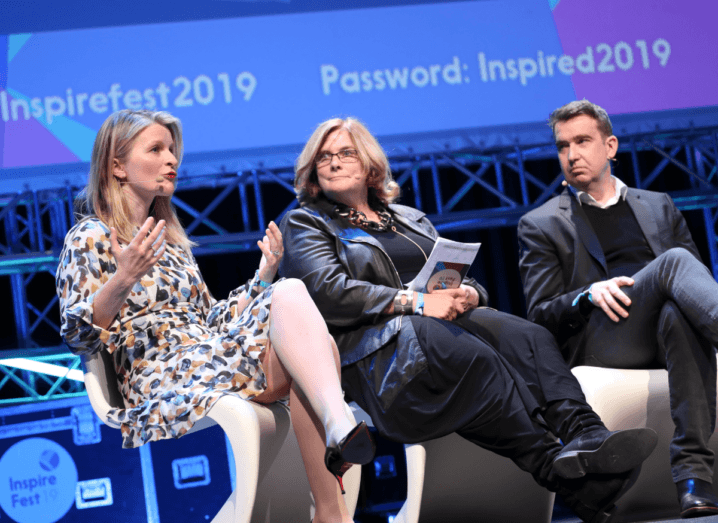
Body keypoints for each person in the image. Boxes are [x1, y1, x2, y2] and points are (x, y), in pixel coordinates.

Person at [279, 116, 658, 523]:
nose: (334, 162)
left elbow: (457, 275)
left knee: (526, 335)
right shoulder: (307, 222)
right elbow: (329, 293)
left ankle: (587, 436)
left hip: (437, 327)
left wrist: (471, 293)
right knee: (470, 352)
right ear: (312, 171)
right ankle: (564, 472)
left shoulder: (410, 218)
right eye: (324, 157)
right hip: (378, 352)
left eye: (345, 153)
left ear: (370, 164)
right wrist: (417, 302)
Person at [55, 110, 375, 523]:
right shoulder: (90, 236)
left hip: (205, 356)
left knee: (294, 306)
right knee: (310, 345)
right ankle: (338, 437)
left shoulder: (171, 244)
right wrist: (123, 278)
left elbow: (210, 321)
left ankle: (332, 510)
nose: (172, 159)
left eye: (172, 150)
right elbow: (78, 338)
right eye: (156, 149)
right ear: (117, 165)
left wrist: (262, 278)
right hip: (157, 375)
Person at [518, 99, 718, 518]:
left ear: (610, 146)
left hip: (664, 331)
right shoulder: (542, 223)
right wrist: (587, 294)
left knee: (677, 315)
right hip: (604, 339)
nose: (571, 155)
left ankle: (693, 479)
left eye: (583, 141)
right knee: (676, 263)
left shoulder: (657, 203)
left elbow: (695, 289)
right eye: (562, 146)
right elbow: (538, 314)